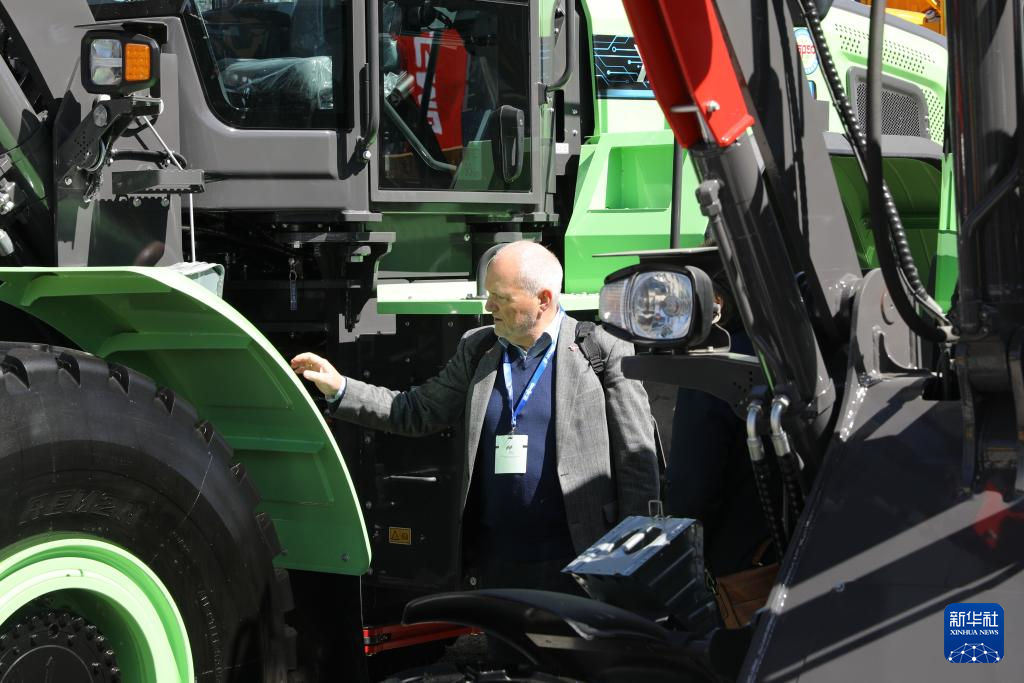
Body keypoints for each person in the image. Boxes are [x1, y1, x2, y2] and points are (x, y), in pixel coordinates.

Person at [291, 240, 660, 595]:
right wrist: (340, 388)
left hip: (579, 563)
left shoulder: (600, 349)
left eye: (500, 297)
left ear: (544, 300)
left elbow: (638, 463)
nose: (488, 306)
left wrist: (633, 561)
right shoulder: (479, 348)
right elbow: (417, 410)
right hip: (497, 564)